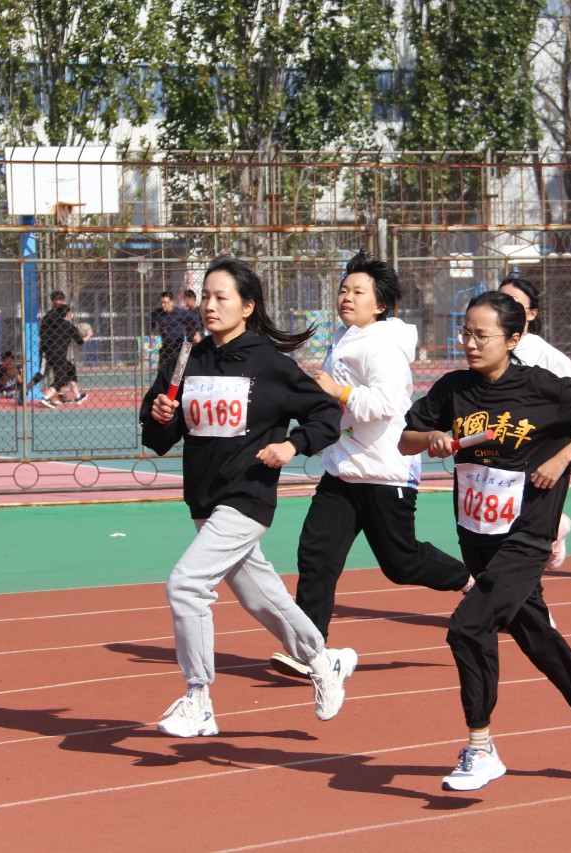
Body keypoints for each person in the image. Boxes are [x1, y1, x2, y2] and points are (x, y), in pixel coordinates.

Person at [400, 290, 571, 792]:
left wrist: (562, 457)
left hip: (528, 532)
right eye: (465, 333)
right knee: (533, 634)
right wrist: (431, 439)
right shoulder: (454, 388)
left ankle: (480, 748)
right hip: (477, 532)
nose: (470, 343)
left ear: (513, 338)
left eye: (482, 335)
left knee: (468, 626)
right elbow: (405, 439)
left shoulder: (542, 387)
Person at [140, 255, 357, 737]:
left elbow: (326, 415)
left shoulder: (270, 365)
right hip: (204, 500)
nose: (209, 306)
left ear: (247, 306)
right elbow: (158, 438)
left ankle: (198, 698)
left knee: (186, 585)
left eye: (222, 297)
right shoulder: (186, 360)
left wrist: (292, 445)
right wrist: (160, 417)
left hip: (248, 496)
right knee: (263, 598)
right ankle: (324, 660)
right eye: (205, 296)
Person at [269, 251, 472, 680]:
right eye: (344, 289)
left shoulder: (382, 345)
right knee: (316, 555)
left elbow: (388, 404)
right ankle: (311, 652)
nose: (347, 297)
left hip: (385, 471)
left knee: (401, 563)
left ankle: (474, 584)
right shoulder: (343, 338)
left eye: (358, 292)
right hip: (343, 471)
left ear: (379, 304)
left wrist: (338, 392)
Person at [497, 275, 571, 569]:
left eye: (513, 302)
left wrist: (559, 457)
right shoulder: (486, 348)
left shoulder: (550, 358)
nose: (504, 306)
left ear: (531, 314)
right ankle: (556, 526)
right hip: (494, 451)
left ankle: (552, 528)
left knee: (521, 540)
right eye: (499, 299)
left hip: (534, 454)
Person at [38, 301, 91, 408]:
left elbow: (63, 330)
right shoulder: (69, 327)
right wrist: (89, 335)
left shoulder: (54, 324)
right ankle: (46, 398)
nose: (71, 314)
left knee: (70, 368)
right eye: (70, 313)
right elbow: (80, 342)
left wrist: (74, 328)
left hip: (50, 354)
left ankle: (77, 396)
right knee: (61, 379)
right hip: (59, 355)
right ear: (67, 314)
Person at [150, 290, 192, 370]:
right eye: (161, 303)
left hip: (179, 347)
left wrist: (194, 332)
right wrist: (152, 332)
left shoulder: (180, 312)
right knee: (162, 371)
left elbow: (192, 320)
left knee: (179, 372)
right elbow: (152, 320)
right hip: (166, 346)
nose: (163, 305)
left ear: (172, 302)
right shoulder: (158, 313)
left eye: (165, 302)